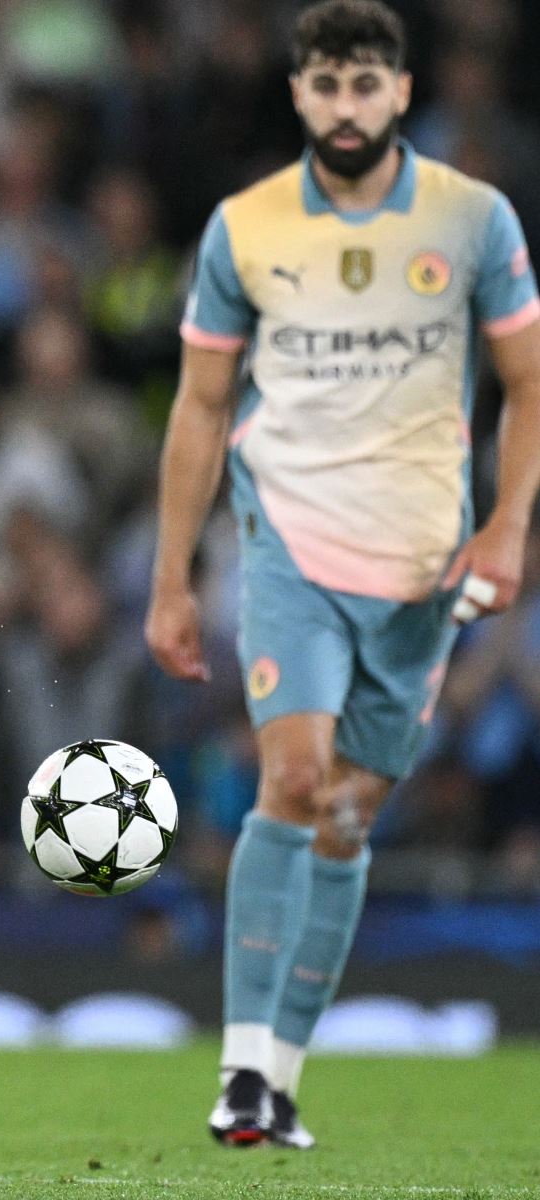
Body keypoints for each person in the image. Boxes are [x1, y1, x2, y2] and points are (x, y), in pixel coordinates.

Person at [145, 0, 540, 1150]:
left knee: (350, 820)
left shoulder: (473, 220)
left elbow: (525, 383)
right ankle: (239, 1074)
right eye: (326, 84)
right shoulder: (247, 227)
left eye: (367, 84)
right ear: (300, 95)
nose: (347, 105)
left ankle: (280, 1075)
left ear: (402, 93)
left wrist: (510, 526)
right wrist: (172, 577)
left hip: (423, 562)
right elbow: (201, 408)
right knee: (299, 780)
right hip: (293, 546)